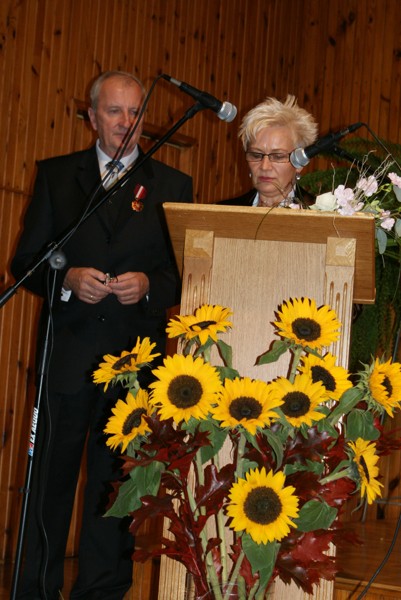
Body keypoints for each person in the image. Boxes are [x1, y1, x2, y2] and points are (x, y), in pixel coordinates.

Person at [11, 70, 193, 599]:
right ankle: (34, 591)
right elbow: (27, 261)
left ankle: (102, 592)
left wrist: (150, 287)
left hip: (134, 366)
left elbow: (182, 272)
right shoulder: (57, 176)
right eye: (115, 111)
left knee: (117, 492)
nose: (126, 122)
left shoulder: (173, 187)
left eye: (135, 112)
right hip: (67, 359)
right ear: (92, 117)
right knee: (49, 485)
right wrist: (66, 278)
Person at [220, 94, 318, 207]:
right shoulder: (221, 211)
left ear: (300, 162)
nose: (264, 167)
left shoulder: (320, 214)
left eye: (278, 156)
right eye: (256, 155)